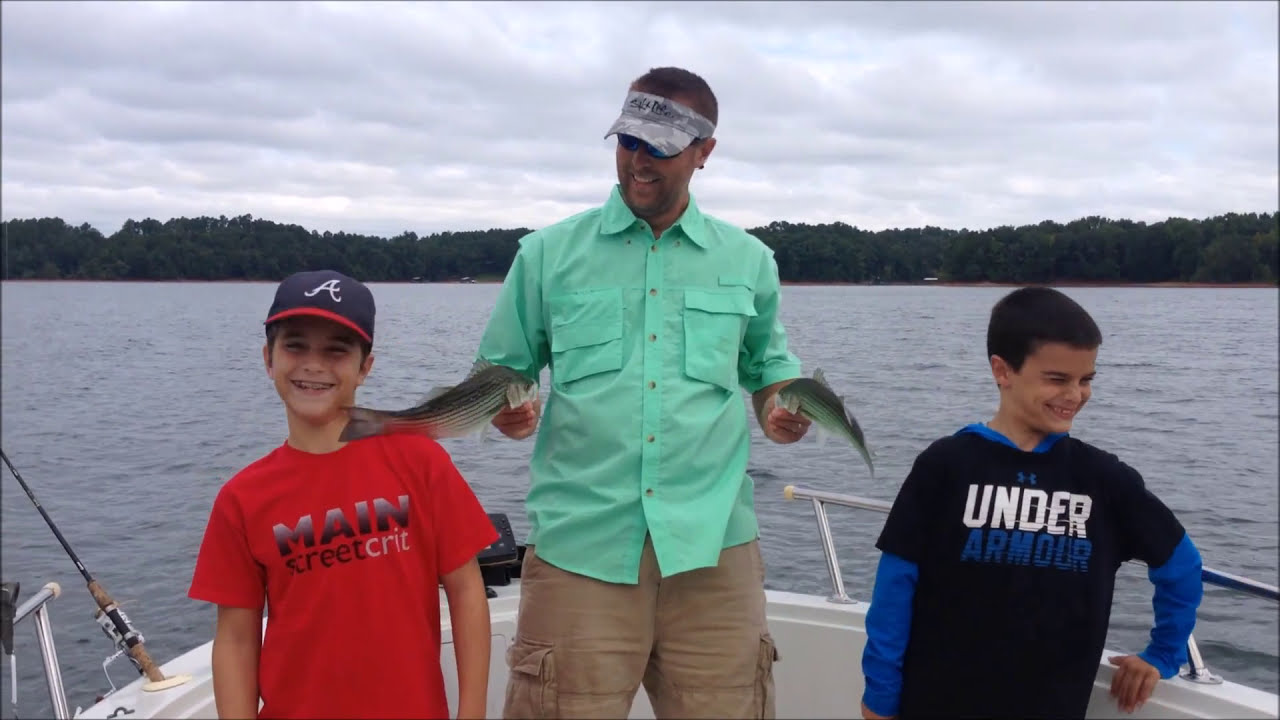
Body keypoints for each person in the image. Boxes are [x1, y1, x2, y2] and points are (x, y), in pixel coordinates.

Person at [475, 66, 813, 719]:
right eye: (628, 141)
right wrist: (507, 412)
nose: (638, 161)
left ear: (704, 152)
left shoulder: (749, 261)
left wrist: (778, 409)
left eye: (659, 146)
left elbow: (770, 366)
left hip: (715, 551)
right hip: (581, 550)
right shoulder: (546, 255)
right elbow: (497, 373)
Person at [860, 286, 1204, 719]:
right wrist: (880, 695)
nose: (1075, 395)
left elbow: (1182, 566)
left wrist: (1162, 653)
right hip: (933, 703)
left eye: (1086, 380)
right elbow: (895, 585)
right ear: (1002, 371)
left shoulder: (1104, 479)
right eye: (1057, 379)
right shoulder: (945, 465)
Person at [187, 269, 499, 720]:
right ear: (267, 359)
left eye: (336, 350)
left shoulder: (420, 461)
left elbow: (467, 590)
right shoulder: (242, 498)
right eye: (295, 345)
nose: (314, 365)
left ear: (365, 367)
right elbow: (236, 638)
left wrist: (471, 713)